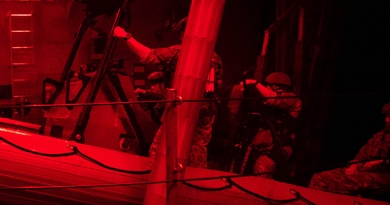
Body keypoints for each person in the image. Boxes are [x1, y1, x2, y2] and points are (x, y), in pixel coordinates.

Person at [113, 25, 222, 168]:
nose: (181, 37)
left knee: (157, 152)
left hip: (181, 111)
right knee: (197, 155)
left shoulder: (182, 51)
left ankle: (155, 185)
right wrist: (147, 93)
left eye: (182, 33)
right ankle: (193, 187)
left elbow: (148, 57)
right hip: (204, 114)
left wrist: (125, 36)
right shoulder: (214, 57)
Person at [309, 100, 390, 201]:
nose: (387, 120)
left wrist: (382, 162)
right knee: (319, 177)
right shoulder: (380, 136)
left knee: (344, 182)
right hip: (368, 172)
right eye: (386, 117)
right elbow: (362, 154)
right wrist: (354, 165)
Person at [228, 72, 302, 179]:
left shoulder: (294, 100)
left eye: (269, 85)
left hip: (277, 150)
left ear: (282, 87)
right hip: (257, 148)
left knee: (263, 166)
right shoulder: (263, 102)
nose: (266, 88)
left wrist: (255, 83)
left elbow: (273, 99)